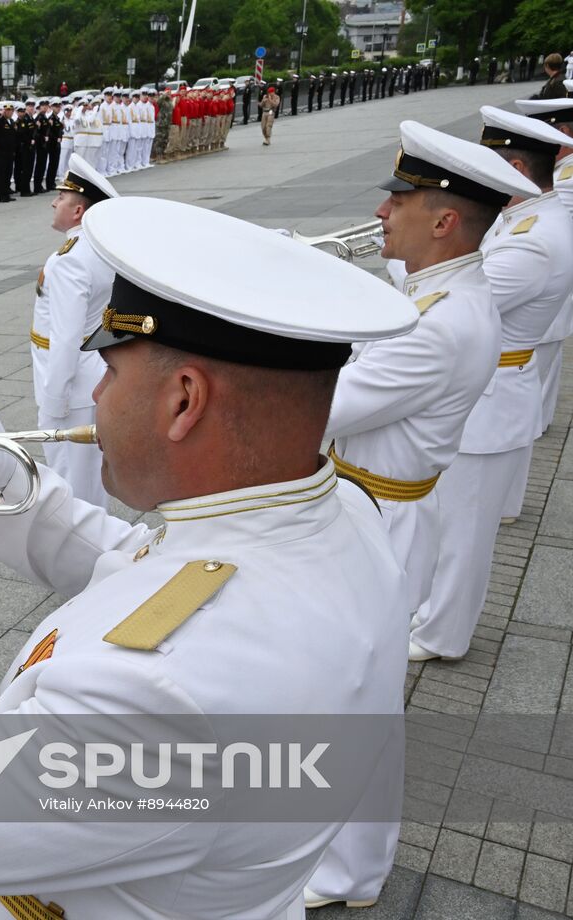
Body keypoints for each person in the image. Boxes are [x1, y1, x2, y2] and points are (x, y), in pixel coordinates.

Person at [0, 195, 416, 919]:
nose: (96, 395)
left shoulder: (164, 698)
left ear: (184, 401)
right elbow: (149, 575)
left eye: (109, 373)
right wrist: (6, 479)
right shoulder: (335, 514)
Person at [306, 120, 538, 911]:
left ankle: (351, 871)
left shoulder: (439, 324)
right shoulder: (440, 294)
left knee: (357, 701)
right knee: (346, 692)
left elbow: (320, 410)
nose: (380, 212)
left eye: (398, 200)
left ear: (443, 221)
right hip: (379, 505)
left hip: (383, 519)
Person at [409, 107, 573, 662]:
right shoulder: (530, 219)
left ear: (517, 169)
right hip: (492, 389)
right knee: (457, 524)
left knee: (462, 535)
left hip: (490, 398)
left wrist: (408, 252)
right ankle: (435, 618)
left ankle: (442, 635)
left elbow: (445, 294)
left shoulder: (534, 241)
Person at [32, 153, 118, 508]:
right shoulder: (99, 248)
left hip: (72, 386)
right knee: (89, 478)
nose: (54, 202)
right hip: (93, 373)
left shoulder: (69, 260)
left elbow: (65, 338)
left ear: (78, 211)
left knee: (73, 486)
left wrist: (54, 400)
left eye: (62, 197)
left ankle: (86, 557)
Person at [515, 91, 573, 433]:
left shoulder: (565, 183)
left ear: (563, 135)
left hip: (543, 294)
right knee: (543, 380)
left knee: (537, 378)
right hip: (552, 292)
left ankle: (533, 429)